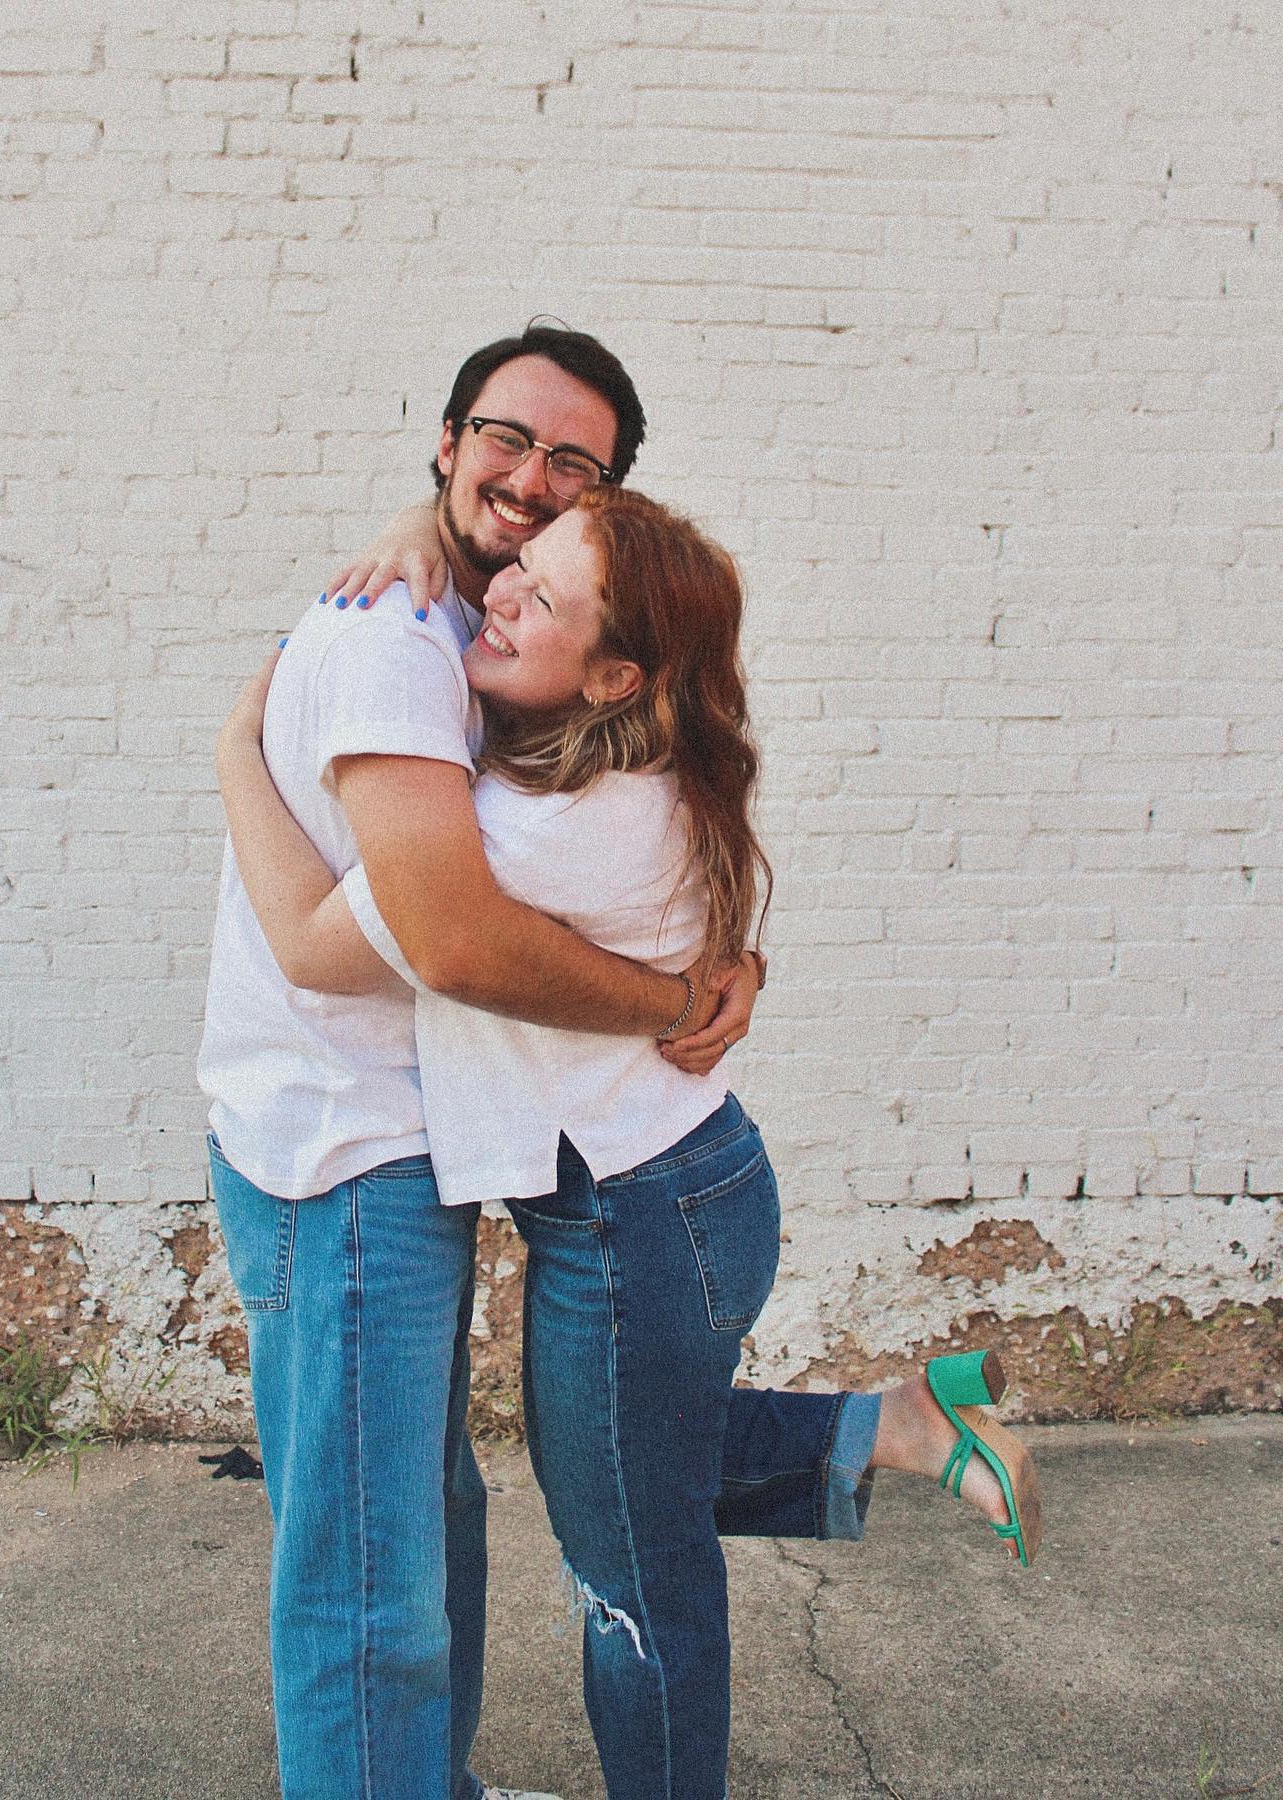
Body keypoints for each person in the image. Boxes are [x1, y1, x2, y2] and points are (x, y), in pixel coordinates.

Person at [214, 479, 1042, 1796]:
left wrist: (236, 750)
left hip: (640, 1223)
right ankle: (896, 1425)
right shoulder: (607, 755)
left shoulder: (534, 833)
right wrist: (422, 532)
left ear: (613, 676)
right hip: (668, 1201)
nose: (499, 593)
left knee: (633, 1574)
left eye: (542, 596)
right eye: (515, 564)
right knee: (625, 1483)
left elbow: (318, 946)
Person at [197, 326, 764, 1800]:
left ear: (602, 503)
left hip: (439, 1150)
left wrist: (719, 964)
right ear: (446, 441)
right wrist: (672, 994)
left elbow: (618, 864)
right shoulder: (412, 638)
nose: (528, 481)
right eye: (504, 438)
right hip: (345, 1146)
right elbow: (430, 940)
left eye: (573, 464)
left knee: (431, 1528)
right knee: (374, 1580)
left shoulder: (485, 631)